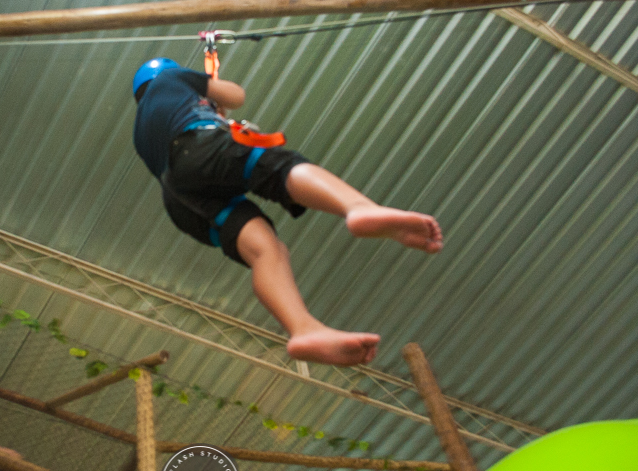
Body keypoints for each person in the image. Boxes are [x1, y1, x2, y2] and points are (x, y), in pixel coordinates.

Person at [132, 57, 443, 367]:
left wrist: (210, 110)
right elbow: (236, 95)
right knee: (278, 167)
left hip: (179, 199)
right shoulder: (172, 80)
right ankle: (358, 208)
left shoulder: (141, 130)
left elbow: (180, 154)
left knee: (265, 249)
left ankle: (303, 329)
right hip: (198, 145)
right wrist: (212, 97)